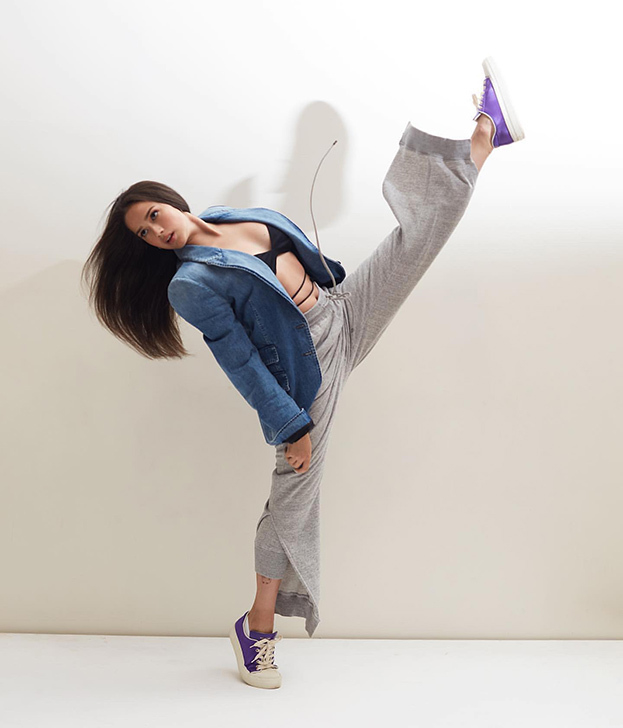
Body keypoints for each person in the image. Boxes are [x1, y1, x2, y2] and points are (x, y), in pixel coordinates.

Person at [81, 55, 524, 689]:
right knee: (295, 493)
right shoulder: (191, 284)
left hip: (341, 309)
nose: (157, 231)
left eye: (153, 215)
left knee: (415, 241)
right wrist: (289, 424)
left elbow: (292, 259)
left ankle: (484, 136)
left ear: (167, 200)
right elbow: (239, 359)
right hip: (306, 367)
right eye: (144, 235)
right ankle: (257, 627)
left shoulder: (229, 215)